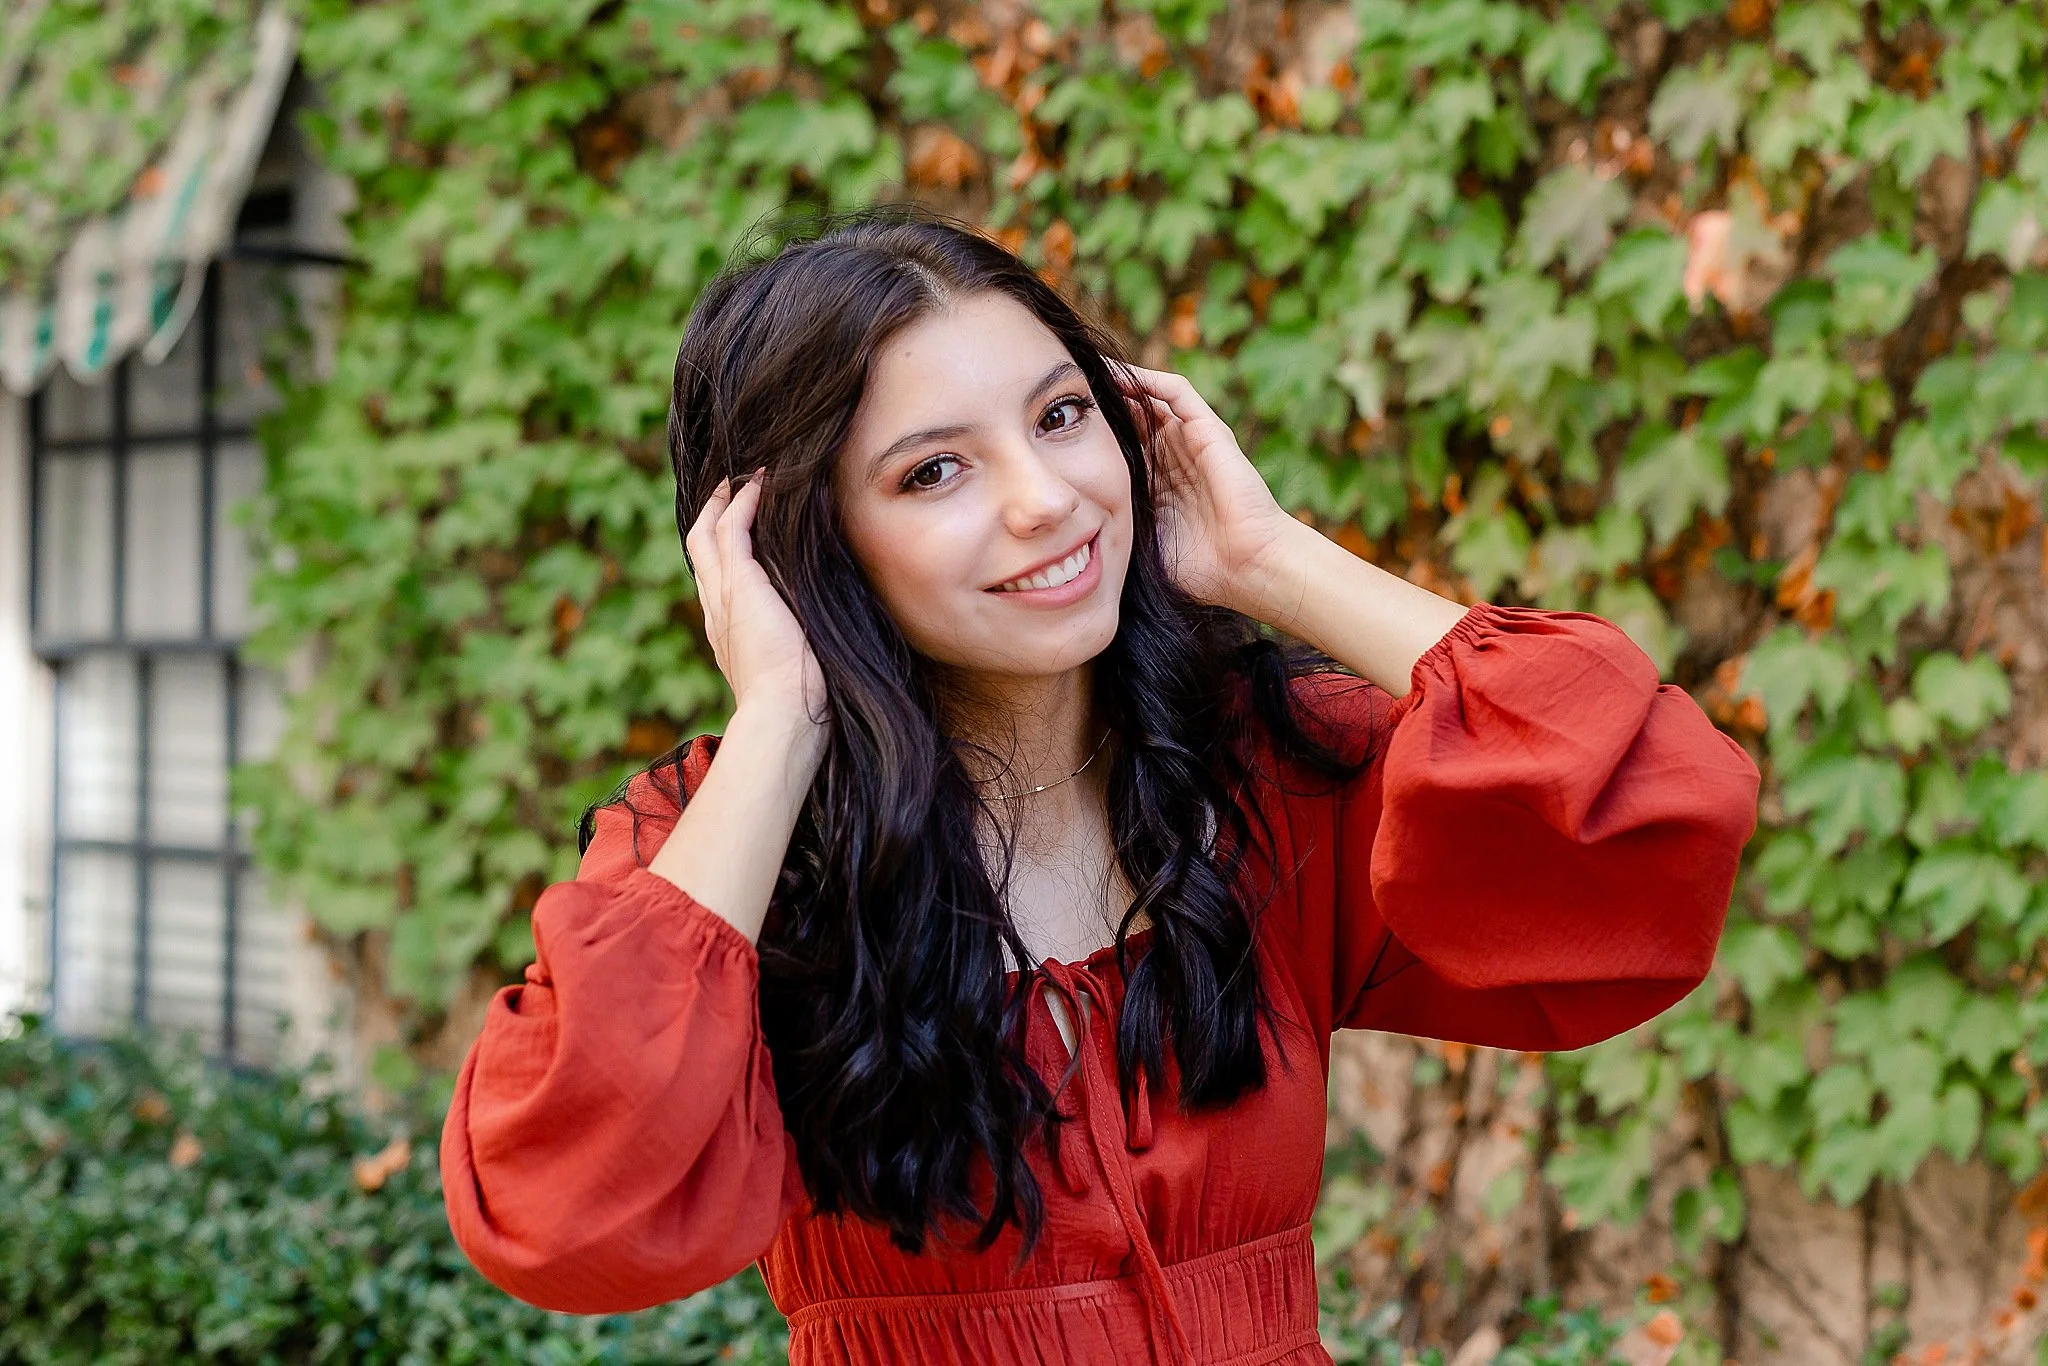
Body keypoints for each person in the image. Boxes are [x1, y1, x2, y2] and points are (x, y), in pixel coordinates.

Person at [438, 203, 1761, 1365]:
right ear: (806, 543)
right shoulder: (732, 849)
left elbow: (1647, 827)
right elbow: (564, 1211)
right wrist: (782, 716)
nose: (1046, 498)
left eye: (1064, 415)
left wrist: (1271, 557)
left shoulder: (1257, 770)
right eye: (934, 469)